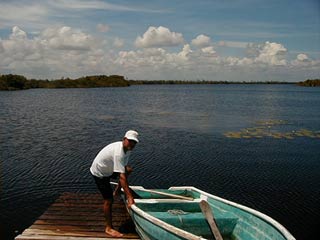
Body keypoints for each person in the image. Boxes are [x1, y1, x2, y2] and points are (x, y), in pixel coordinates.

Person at [90, 130, 139, 237]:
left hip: (109, 169)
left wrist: (124, 184)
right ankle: (108, 228)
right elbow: (121, 177)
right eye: (130, 141)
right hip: (100, 173)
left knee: (128, 170)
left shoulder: (128, 149)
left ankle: (117, 191)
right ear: (124, 139)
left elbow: (123, 171)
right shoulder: (118, 152)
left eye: (134, 142)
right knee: (108, 200)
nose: (131, 144)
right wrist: (130, 197)